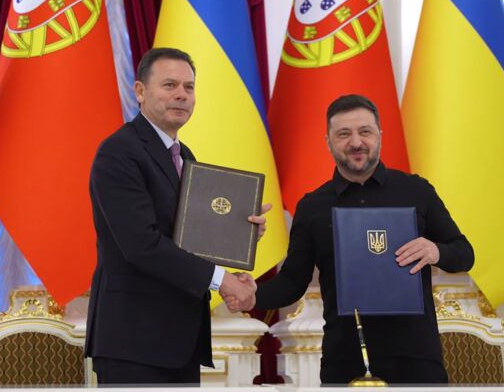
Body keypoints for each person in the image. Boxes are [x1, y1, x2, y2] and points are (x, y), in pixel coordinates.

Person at [225, 94, 474, 385]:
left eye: (365, 131)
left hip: (416, 359)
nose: (356, 142)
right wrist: (255, 294)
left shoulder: (417, 191)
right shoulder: (313, 206)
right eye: (344, 134)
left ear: (380, 135)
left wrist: (435, 251)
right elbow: (293, 281)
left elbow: (464, 253)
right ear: (328, 142)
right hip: (344, 360)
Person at [85, 47, 261, 385]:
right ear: (140, 91)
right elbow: (142, 244)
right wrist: (221, 280)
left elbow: (190, 236)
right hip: (134, 342)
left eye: (189, 87)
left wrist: (241, 233)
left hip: (181, 339)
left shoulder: (185, 156)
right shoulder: (119, 152)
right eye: (169, 85)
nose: (182, 94)